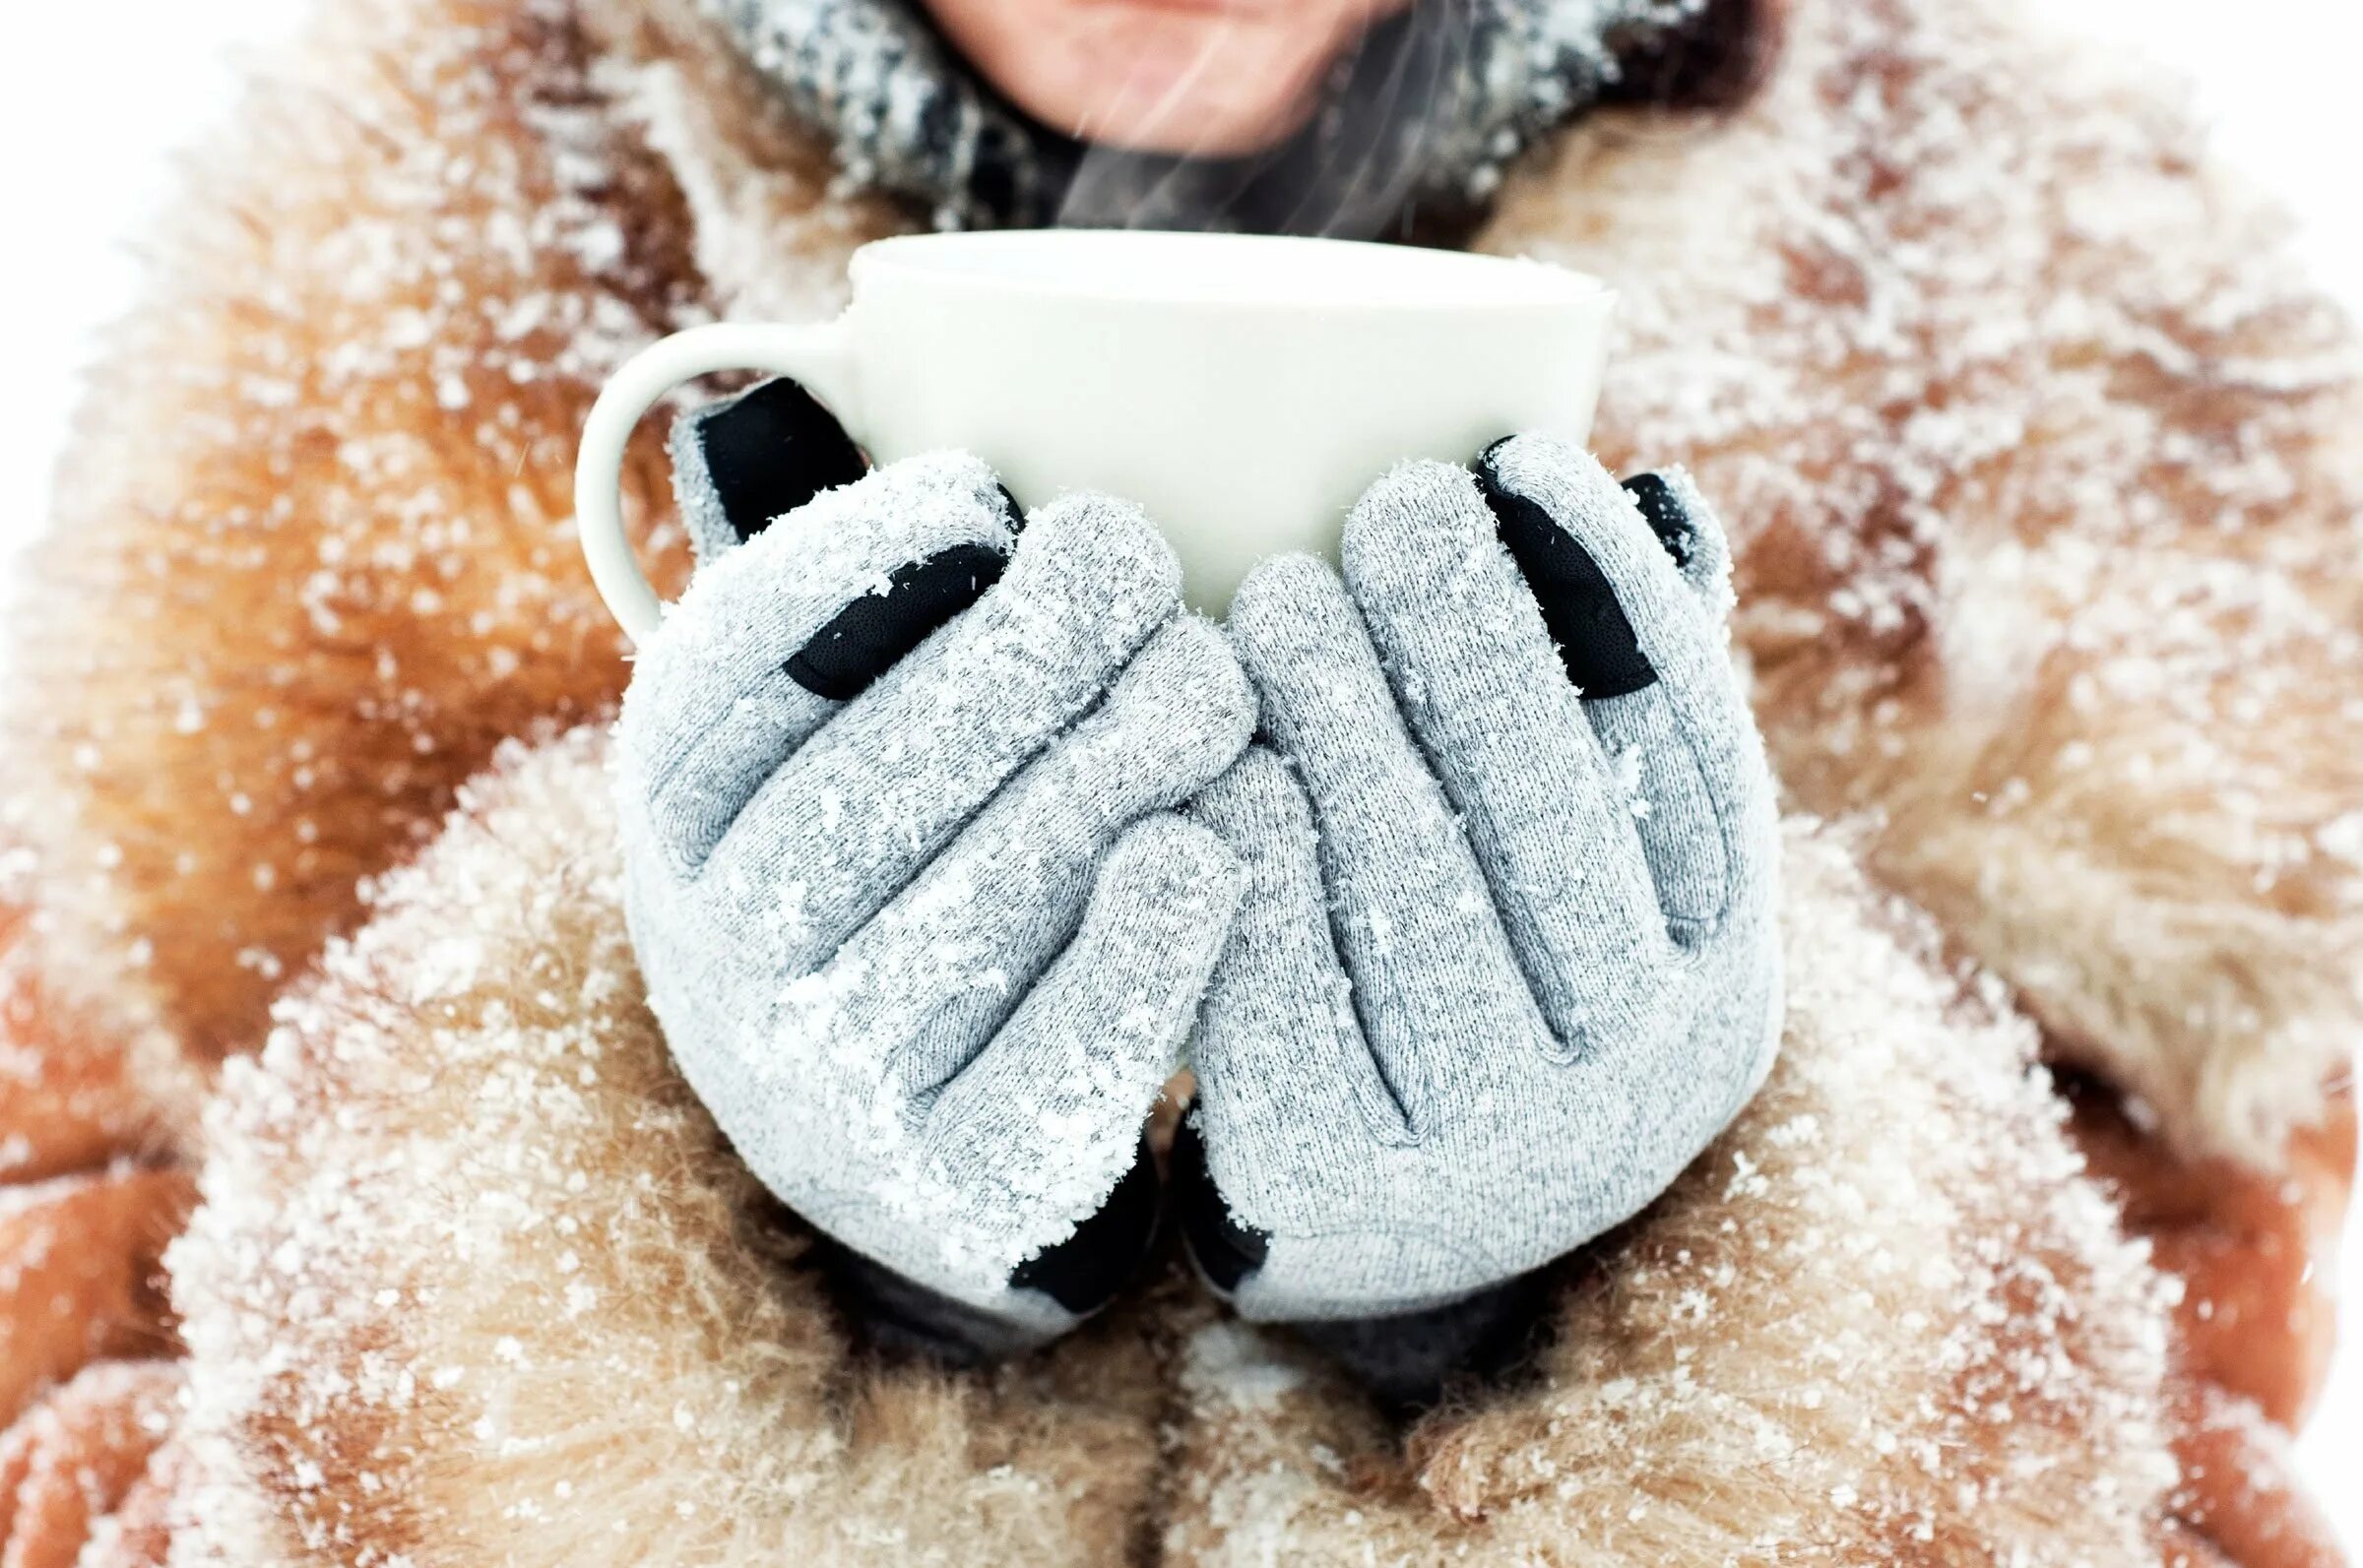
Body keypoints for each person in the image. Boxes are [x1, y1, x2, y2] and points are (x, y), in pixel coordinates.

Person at [0, 0, 2351, 1562]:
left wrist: (1622, 1328)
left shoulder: (2085, 412)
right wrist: (718, 1286)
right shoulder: (307, 399)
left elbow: (2220, 1498)